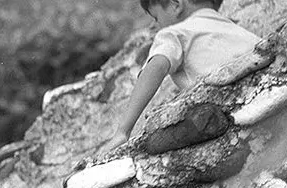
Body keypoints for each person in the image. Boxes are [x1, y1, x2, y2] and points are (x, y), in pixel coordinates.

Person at [103, 0, 263, 151]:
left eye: (157, 18)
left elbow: (157, 66)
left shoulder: (175, 33)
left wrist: (123, 131)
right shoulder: (243, 33)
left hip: (224, 116)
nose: (156, 26)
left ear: (176, 4)